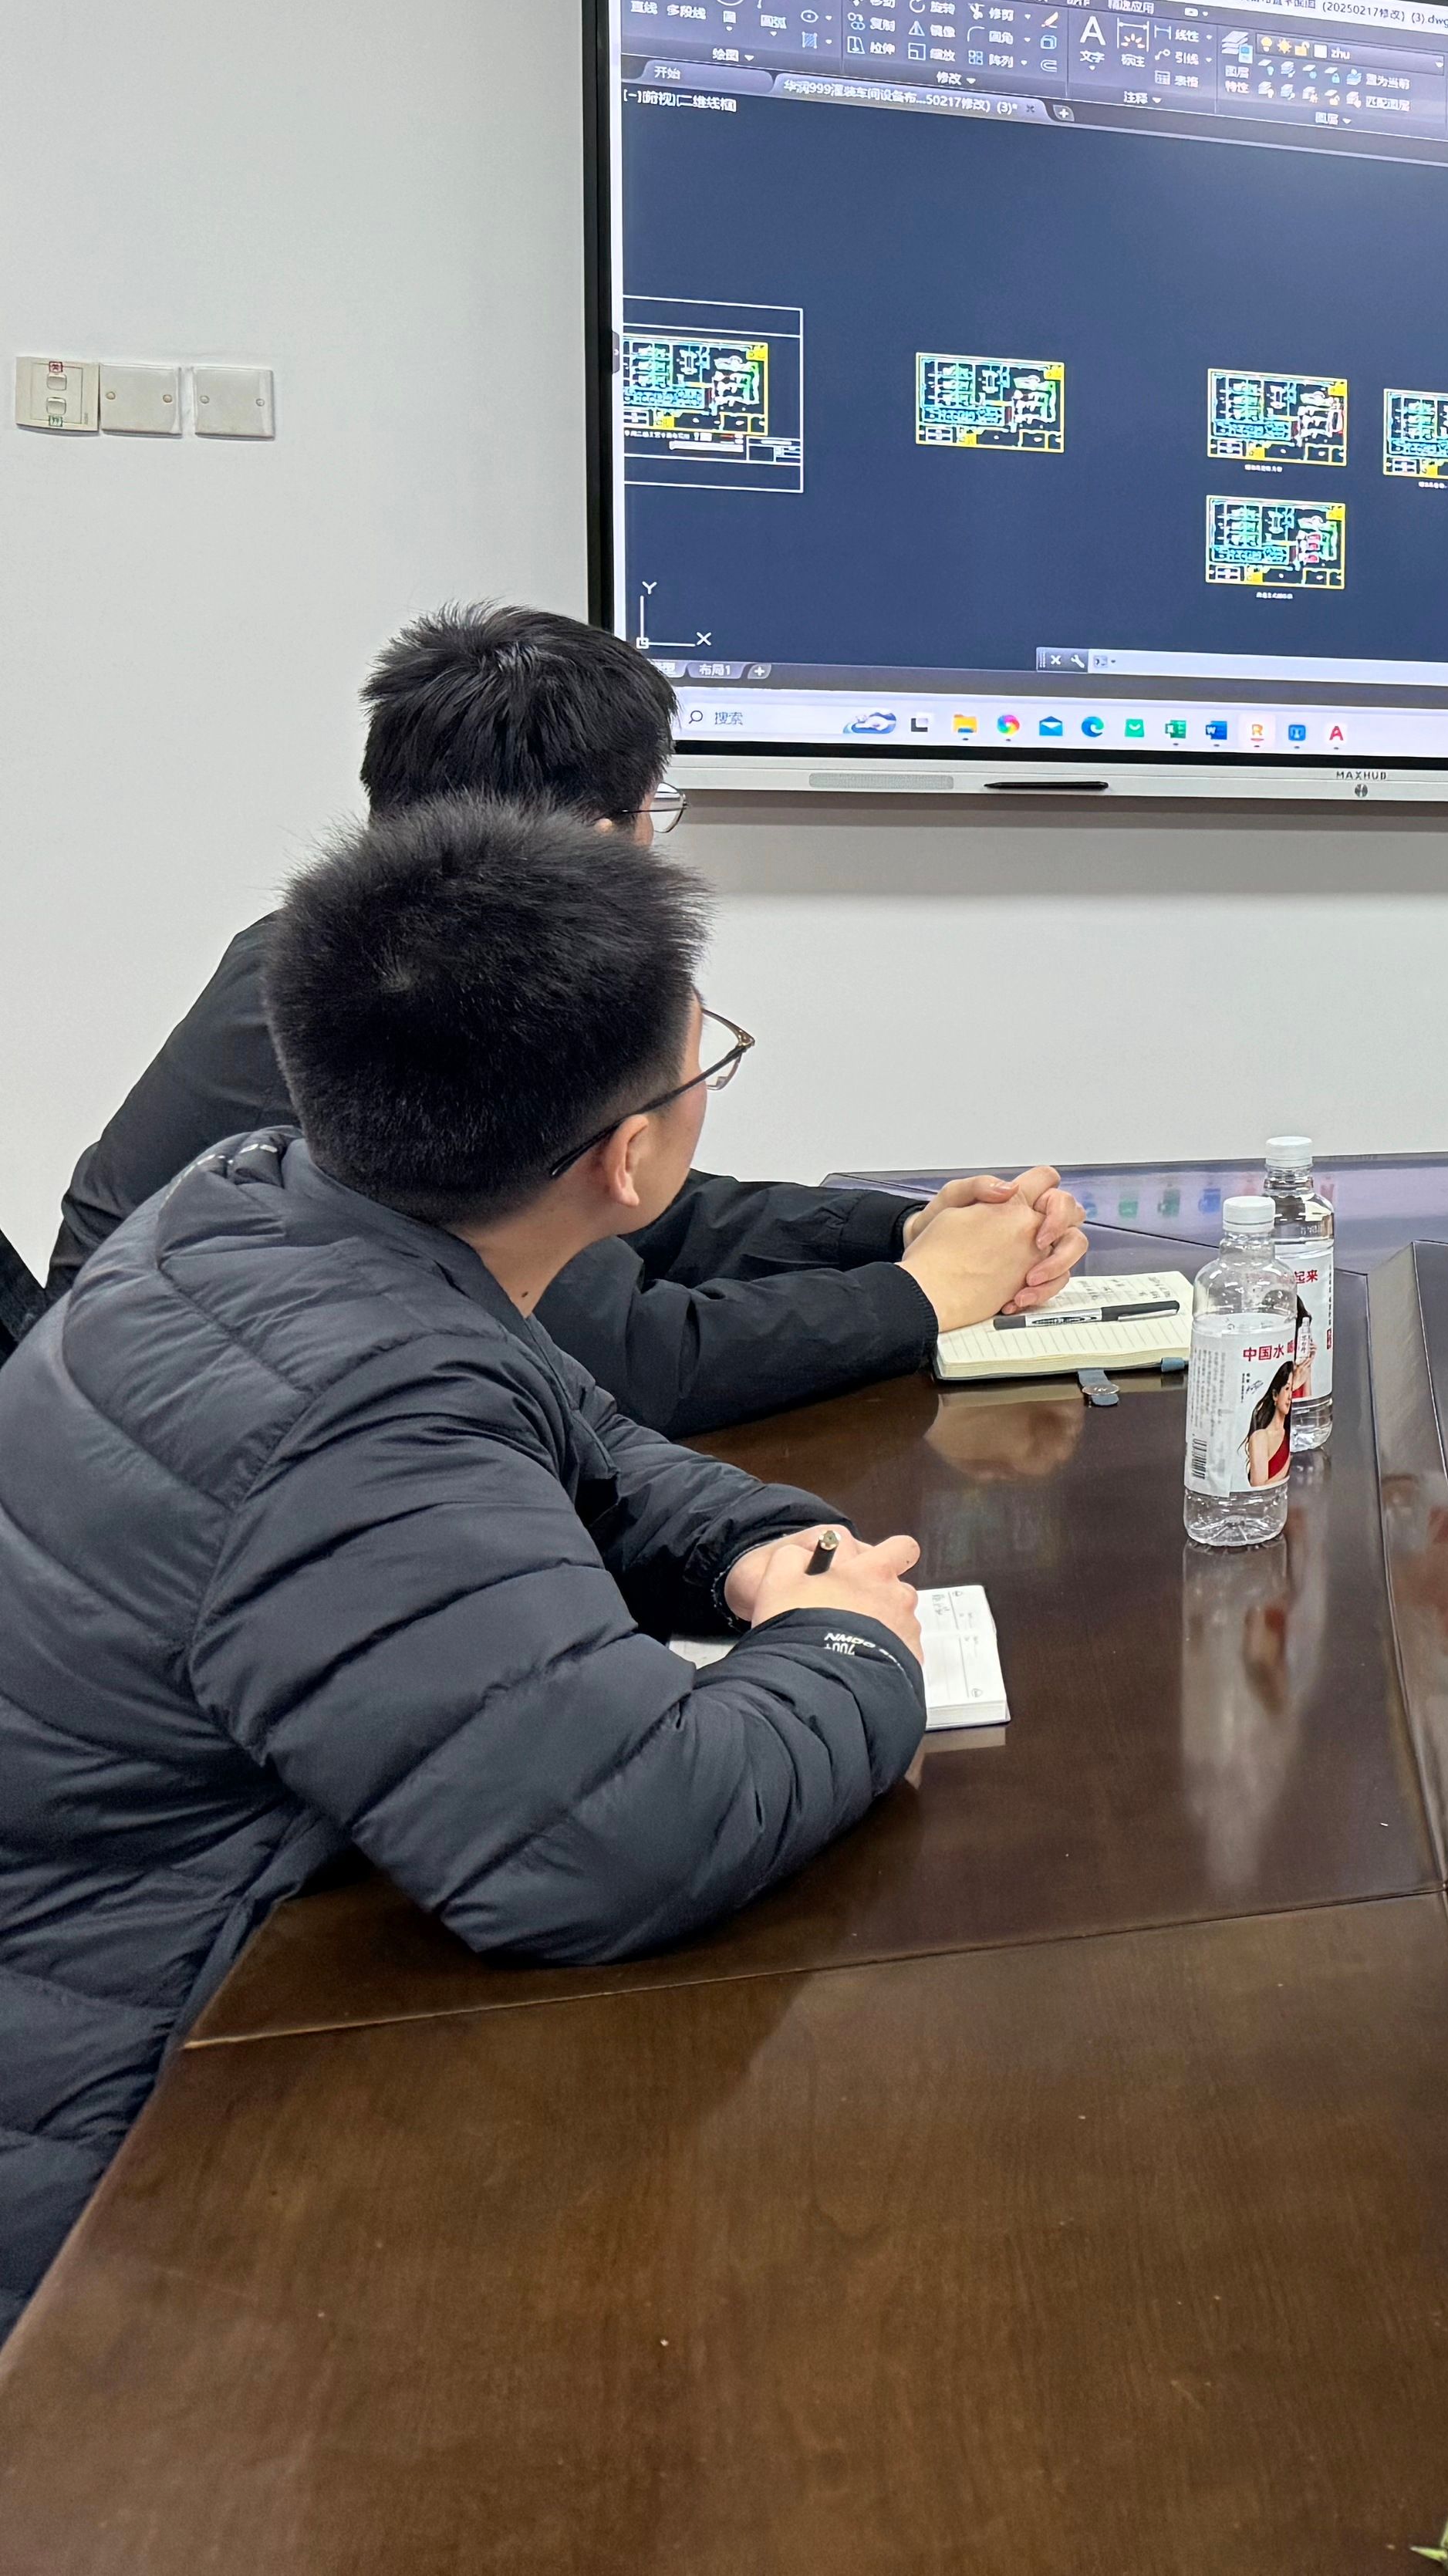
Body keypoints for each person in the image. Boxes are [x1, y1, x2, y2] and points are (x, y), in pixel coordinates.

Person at [0, 801, 936, 2334]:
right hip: (109, 2159)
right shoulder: (359, 1414)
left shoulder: (262, 1199)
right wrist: (851, 1644)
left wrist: (761, 1551)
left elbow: (578, 1433)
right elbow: (619, 1837)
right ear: (630, 1158)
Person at [49, 603, 1081, 1428]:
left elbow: (601, 1202)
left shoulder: (357, 950)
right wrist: (926, 1293)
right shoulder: (428, 999)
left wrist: (893, 1230)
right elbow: (636, 1363)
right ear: (589, 838)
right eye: (649, 814)